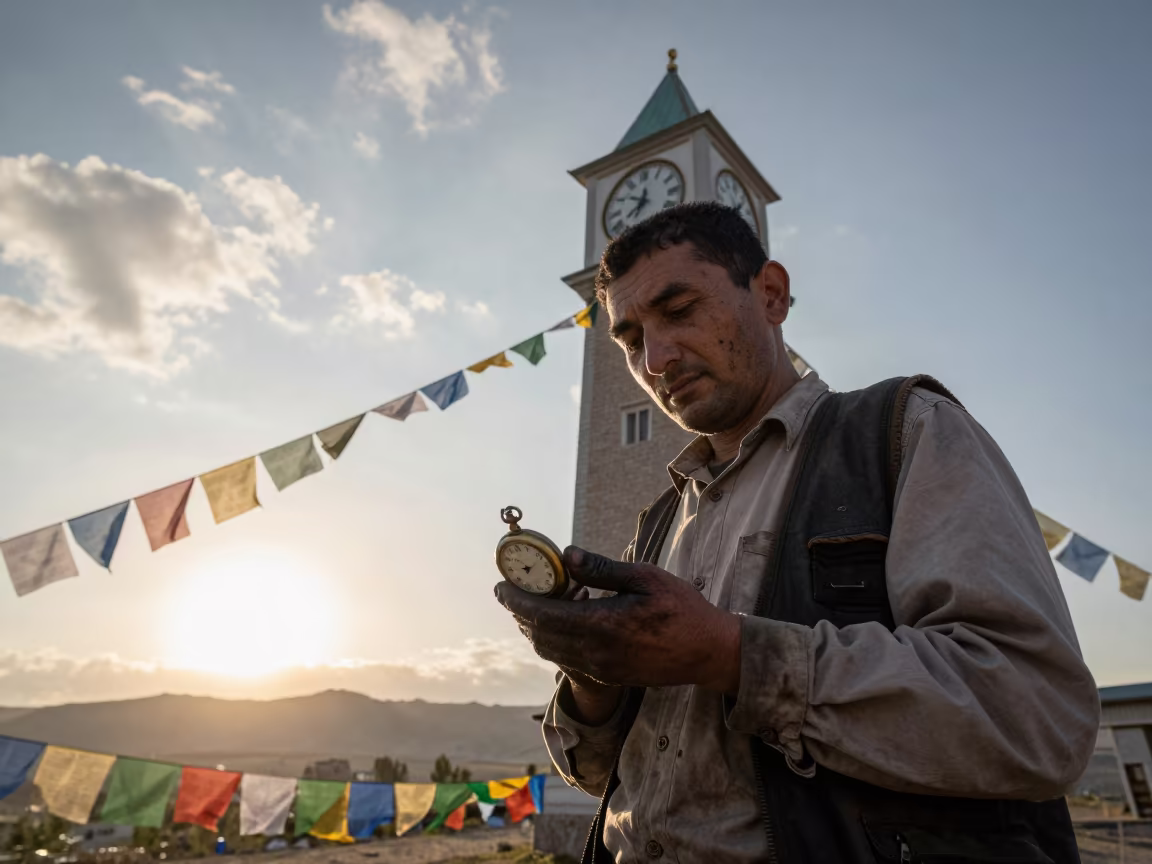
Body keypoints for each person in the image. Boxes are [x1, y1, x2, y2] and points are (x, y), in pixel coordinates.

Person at [494, 201, 1099, 863]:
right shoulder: (661, 521)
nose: (657, 359)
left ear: (772, 295)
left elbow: (1039, 721)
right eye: (631, 338)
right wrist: (594, 674)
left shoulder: (904, 436)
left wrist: (729, 654)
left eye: (680, 309)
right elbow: (598, 772)